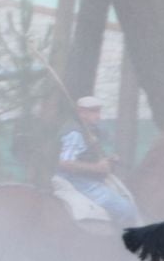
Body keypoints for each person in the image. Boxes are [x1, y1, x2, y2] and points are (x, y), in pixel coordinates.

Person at [56, 96, 141, 225]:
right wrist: (97, 167)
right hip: (77, 180)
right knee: (126, 209)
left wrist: (109, 160)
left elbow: (87, 155)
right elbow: (65, 163)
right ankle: (120, 243)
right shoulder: (75, 133)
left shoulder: (91, 129)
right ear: (81, 112)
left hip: (92, 178)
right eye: (93, 111)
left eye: (98, 111)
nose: (98, 116)